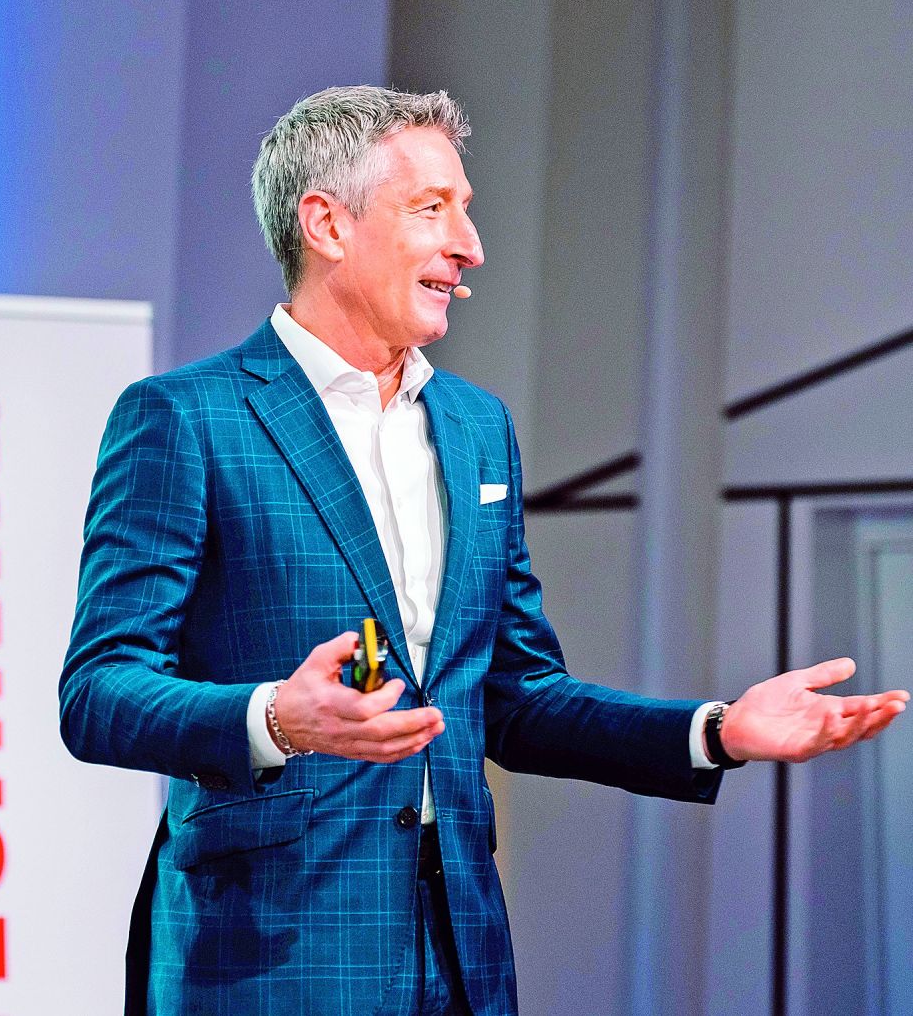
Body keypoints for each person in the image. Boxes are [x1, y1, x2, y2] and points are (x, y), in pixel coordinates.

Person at [58, 86, 908, 1016]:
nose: (470, 245)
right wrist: (276, 717)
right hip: (268, 954)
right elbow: (100, 692)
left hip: (461, 952)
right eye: (432, 208)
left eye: (465, 209)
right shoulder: (187, 418)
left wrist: (715, 731)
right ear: (327, 224)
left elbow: (516, 695)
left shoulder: (474, 428)